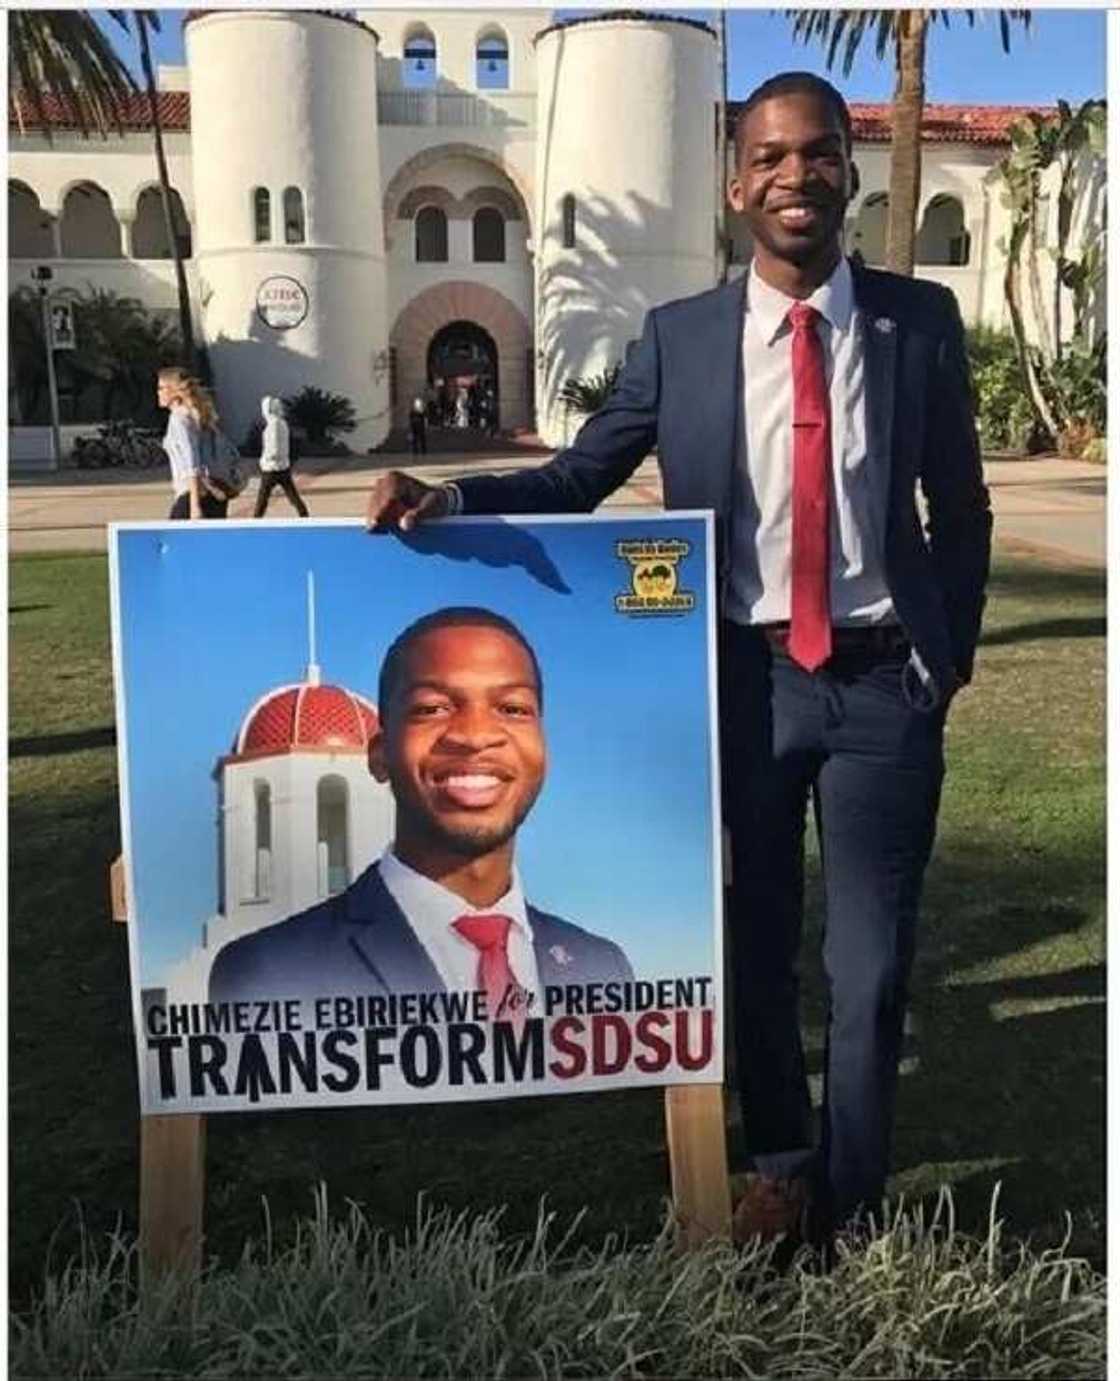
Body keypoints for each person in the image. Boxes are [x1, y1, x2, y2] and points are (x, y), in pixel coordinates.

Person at [366, 73, 992, 1244]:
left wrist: (939, 661)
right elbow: (576, 476)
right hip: (745, 686)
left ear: (847, 170)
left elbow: (959, 507)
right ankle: (781, 1161)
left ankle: (853, 1199)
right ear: (733, 181)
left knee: (870, 963)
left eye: (814, 155)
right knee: (755, 937)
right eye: (766, 157)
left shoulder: (918, 325)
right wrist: (447, 492)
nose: (792, 177)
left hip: (880, 688)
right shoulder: (683, 339)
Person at [209, 607, 633, 1010]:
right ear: (378, 757)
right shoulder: (272, 973)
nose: (475, 735)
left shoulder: (601, 967)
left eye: (512, 708)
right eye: (432, 708)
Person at [157, 366, 228, 520]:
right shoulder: (198, 414)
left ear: (174, 392)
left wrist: (194, 506)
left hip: (194, 494)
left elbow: (192, 462)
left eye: (162, 388)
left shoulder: (179, 418)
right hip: (214, 492)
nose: (158, 393)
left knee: (175, 541)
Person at [254, 395, 309, 517]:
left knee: (263, 497)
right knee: (292, 495)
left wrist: (265, 459)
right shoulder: (282, 423)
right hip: (283, 465)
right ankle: (304, 514)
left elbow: (274, 447)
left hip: (271, 467)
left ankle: (256, 519)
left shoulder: (274, 424)